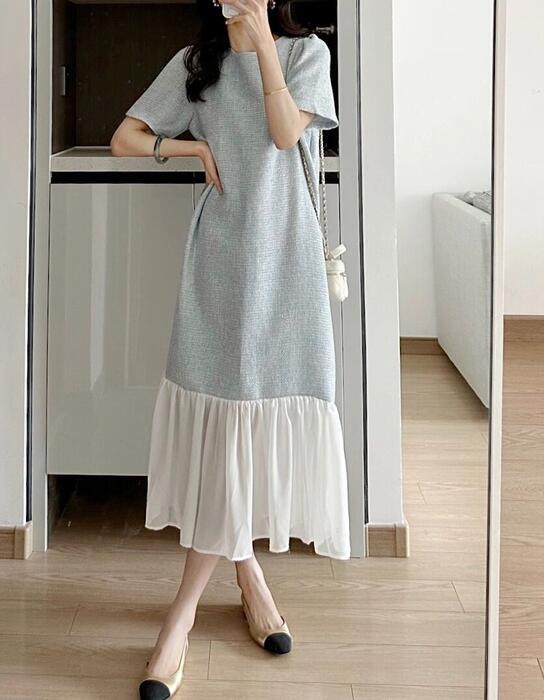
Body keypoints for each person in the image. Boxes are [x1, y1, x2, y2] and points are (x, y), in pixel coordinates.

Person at [110, 0, 349, 696]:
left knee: (250, 426)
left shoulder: (306, 55)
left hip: (287, 268)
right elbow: (125, 138)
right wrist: (189, 148)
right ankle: (220, 596)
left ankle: (202, 604)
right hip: (219, 265)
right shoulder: (197, 64)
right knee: (225, 430)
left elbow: (284, 132)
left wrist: (264, 45)